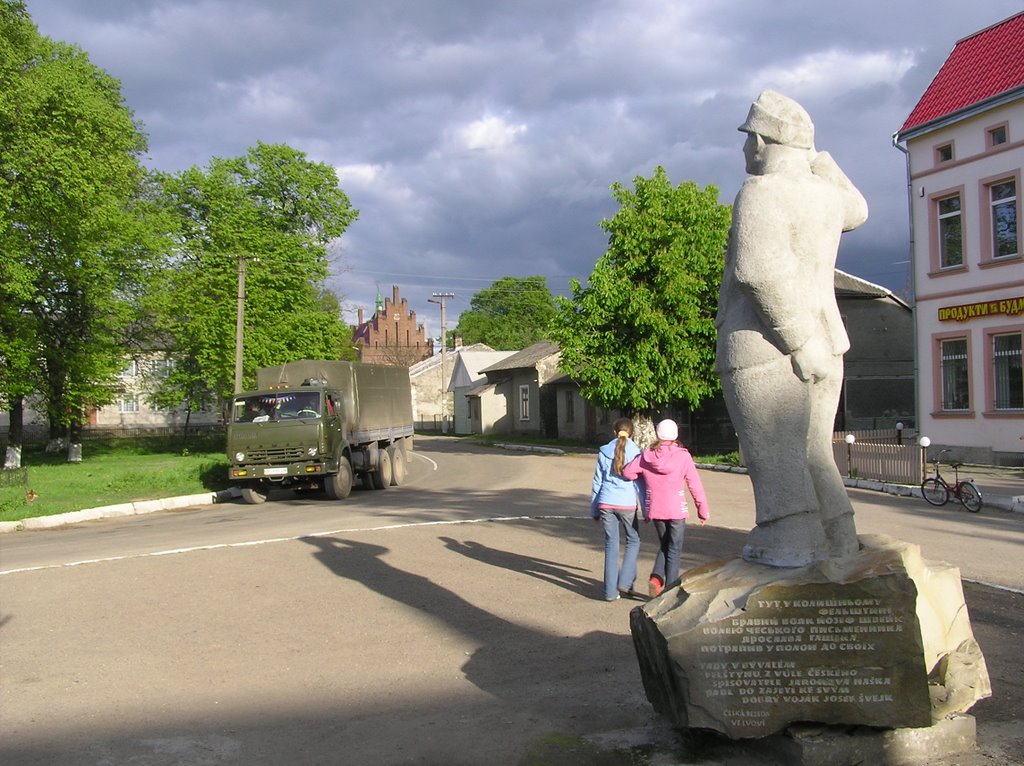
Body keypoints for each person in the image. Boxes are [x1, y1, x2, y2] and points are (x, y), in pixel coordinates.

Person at [715, 90, 868, 568]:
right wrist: (814, 154)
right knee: (813, 452)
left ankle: (790, 547)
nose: (744, 151)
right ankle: (839, 536)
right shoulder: (826, 197)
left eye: (747, 139)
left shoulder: (761, 192)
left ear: (762, 140)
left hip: (769, 345)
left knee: (774, 456)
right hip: (827, 340)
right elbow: (859, 209)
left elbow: (758, 271)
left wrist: (797, 342)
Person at [622, 419, 709, 597]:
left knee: (666, 544)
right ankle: (670, 590)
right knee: (674, 548)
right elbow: (694, 484)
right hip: (676, 508)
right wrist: (702, 509)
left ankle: (656, 578)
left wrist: (644, 477)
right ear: (675, 434)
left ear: (658, 433)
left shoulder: (646, 456)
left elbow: (628, 472)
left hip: (656, 508)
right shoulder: (683, 456)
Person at [590, 417, 643, 601]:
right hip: (627, 503)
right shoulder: (636, 453)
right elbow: (639, 484)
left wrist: (595, 509)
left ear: (614, 432)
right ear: (632, 433)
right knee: (633, 540)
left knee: (611, 545)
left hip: (606, 502)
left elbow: (598, 482)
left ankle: (610, 593)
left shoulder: (604, 451)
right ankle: (625, 581)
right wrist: (646, 508)